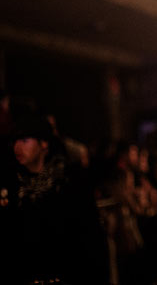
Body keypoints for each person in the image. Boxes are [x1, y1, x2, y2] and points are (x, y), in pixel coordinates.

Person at [2, 112, 108, 284]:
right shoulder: (13, 186)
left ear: (44, 144)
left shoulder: (69, 182)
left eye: (25, 141)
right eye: (15, 141)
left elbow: (90, 238)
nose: (17, 147)